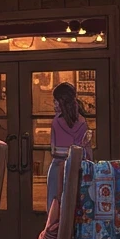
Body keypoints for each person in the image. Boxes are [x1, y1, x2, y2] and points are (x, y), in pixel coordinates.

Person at [46, 82, 92, 210]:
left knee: (55, 205)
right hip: (78, 168)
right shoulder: (82, 122)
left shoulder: (56, 122)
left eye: (55, 101)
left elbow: (54, 150)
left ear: (62, 101)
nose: (54, 104)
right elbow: (87, 150)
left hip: (57, 167)